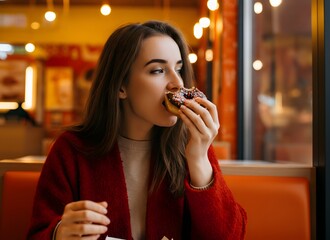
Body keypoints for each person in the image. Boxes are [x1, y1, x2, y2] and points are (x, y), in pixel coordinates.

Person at [27, 20, 247, 240]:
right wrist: (59, 234)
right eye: (158, 70)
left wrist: (199, 159)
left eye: (179, 68)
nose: (177, 82)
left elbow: (229, 236)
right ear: (121, 85)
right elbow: (38, 233)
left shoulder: (190, 144)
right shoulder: (72, 149)